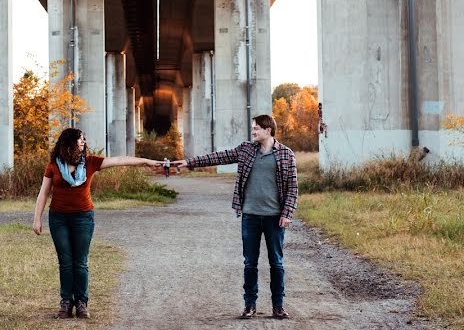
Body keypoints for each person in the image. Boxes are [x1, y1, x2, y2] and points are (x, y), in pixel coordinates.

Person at [172, 114, 298, 320]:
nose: (253, 131)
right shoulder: (246, 150)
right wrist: (189, 162)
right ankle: (250, 306)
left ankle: (278, 306)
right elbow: (219, 157)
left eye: (256, 128)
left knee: (276, 263)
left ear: (268, 130)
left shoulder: (286, 154)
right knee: (250, 263)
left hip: (274, 218)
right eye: (253, 128)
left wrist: (287, 213)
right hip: (250, 216)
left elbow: (292, 188)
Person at [33, 127, 161, 319]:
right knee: (66, 263)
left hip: (83, 218)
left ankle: (82, 304)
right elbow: (43, 193)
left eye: (84, 139)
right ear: (69, 142)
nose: (83, 142)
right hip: (58, 218)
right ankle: (66, 303)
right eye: (79, 139)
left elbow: (119, 160)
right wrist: (37, 219)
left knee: (81, 263)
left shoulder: (90, 163)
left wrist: (146, 161)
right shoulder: (53, 164)